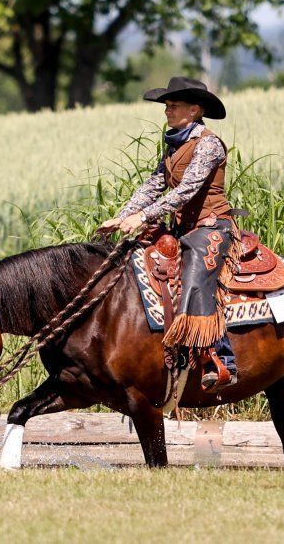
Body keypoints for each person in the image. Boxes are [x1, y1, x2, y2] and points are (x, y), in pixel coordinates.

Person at [98, 76, 237, 390]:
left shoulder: (209, 144)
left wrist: (144, 216)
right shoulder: (176, 143)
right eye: (167, 106)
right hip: (182, 229)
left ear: (194, 110)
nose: (167, 112)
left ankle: (220, 359)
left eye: (173, 106)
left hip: (210, 227)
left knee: (196, 280)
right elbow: (154, 185)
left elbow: (186, 191)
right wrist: (121, 219)